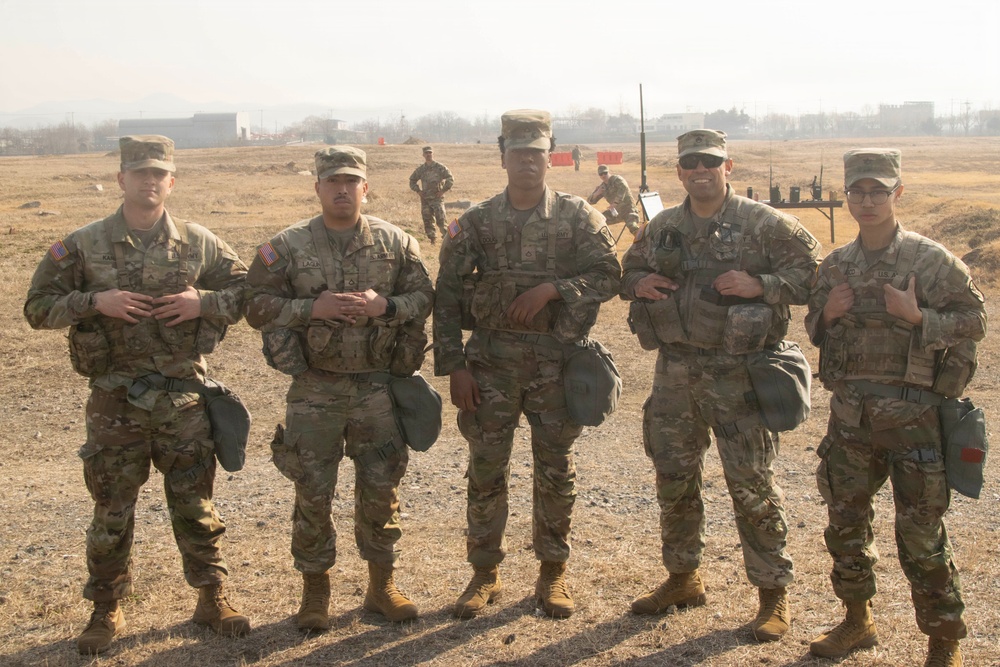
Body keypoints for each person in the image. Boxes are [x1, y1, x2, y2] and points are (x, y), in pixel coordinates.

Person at [23, 135, 252, 654]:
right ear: (122, 178)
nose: (149, 182)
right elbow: (37, 307)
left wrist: (205, 302)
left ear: (171, 181)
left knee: (195, 504)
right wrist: (92, 301)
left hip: (184, 400)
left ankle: (211, 596)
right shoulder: (82, 245)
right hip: (115, 403)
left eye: (159, 174)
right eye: (139, 172)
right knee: (111, 508)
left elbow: (251, 294)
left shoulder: (199, 242)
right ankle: (105, 608)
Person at [619, 129, 821, 642]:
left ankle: (773, 596)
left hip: (739, 375)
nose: (700, 170)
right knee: (674, 478)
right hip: (675, 373)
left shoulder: (763, 224)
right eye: (691, 163)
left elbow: (813, 274)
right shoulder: (662, 226)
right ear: (681, 170)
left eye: (711, 161)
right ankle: (683, 579)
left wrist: (764, 285)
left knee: (752, 485)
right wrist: (637, 283)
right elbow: (626, 271)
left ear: (728, 166)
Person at [434, 110, 621, 619]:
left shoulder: (578, 216)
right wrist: (455, 365)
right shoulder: (476, 221)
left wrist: (553, 289)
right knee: (486, 469)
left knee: (556, 470)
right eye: (517, 153)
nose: (527, 162)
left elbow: (609, 274)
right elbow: (447, 295)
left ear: (549, 156)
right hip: (489, 366)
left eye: (536, 153)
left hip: (555, 367)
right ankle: (484, 572)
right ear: (502, 157)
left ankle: (552, 572)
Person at [805, 149, 986, 666]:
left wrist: (919, 316)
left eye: (878, 191)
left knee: (921, 536)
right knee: (845, 526)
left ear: (897, 193)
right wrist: (825, 314)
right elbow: (816, 326)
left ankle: (942, 640)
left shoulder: (930, 259)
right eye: (857, 192)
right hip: (852, 421)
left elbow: (975, 321)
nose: (867, 201)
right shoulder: (836, 263)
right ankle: (857, 621)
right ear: (847, 196)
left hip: (914, 423)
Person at [244, 146, 434, 630]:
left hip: (376, 388)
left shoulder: (397, 243)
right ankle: (314, 593)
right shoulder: (286, 247)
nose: (343, 190)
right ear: (318, 188)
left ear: (365, 188)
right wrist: (313, 309)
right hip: (314, 389)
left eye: (352, 182)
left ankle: (381, 585)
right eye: (333, 182)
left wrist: (384, 306)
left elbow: (425, 298)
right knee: (312, 489)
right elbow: (254, 305)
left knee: (381, 486)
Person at [409, 145, 454, 244]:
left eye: (430, 153)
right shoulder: (421, 169)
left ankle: (448, 241)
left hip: (437, 198)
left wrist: (443, 190)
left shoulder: (440, 167)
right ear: (423, 155)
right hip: (425, 199)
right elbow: (412, 180)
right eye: (426, 153)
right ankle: (432, 240)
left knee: (442, 220)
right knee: (428, 221)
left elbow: (450, 178)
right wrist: (418, 191)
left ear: (432, 154)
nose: (428, 154)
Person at [587, 164, 640, 235]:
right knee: (598, 221)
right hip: (616, 213)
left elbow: (623, 189)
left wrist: (615, 203)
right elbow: (590, 201)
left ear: (608, 172)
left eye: (605, 173)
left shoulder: (617, 179)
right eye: (601, 174)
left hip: (629, 210)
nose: (603, 176)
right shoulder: (602, 187)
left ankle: (644, 241)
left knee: (632, 226)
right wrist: (597, 193)